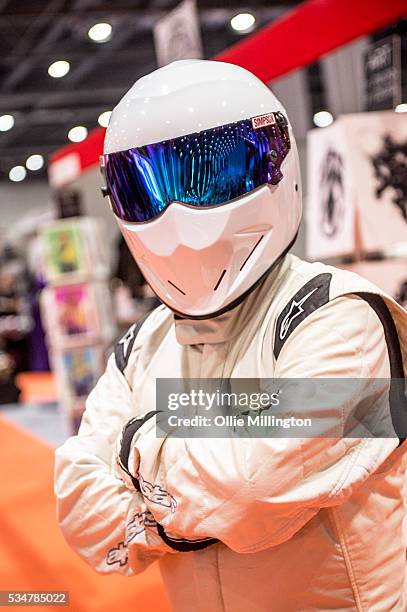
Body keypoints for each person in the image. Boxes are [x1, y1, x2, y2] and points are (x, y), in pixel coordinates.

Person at [54, 60, 407, 611]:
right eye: (148, 186)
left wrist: (139, 446)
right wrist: (213, 453)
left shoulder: (347, 317)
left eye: (207, 174)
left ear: (276, 161)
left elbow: (250, 487)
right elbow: (81, 510)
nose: (176, 212)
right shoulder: (144, 344)